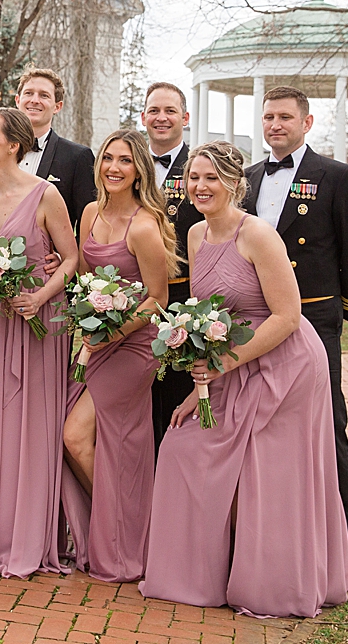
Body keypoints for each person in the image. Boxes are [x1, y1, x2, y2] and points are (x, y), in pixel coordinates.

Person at [141, 141, 348, 618]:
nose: (200, 186)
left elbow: (288, 316)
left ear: (236, 184)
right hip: (230, 359)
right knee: (182, 448)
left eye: (211, 178)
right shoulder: (193, 235)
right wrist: (202, 385)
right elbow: (208, 314)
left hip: (286, 364)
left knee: (266, 473)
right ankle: (199, 574)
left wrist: (223, 365)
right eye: (194, 177)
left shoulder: (257, 234)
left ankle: (272, 583)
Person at [243, 86, 348, 589]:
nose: (276, 125)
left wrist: (340, 305)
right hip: (256, 321)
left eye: (285, 117)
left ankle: (347, 550)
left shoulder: (337, 176)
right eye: (269, 117)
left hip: (314, 320)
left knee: (327, 428)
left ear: (307, 121)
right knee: (259, 424)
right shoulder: (251, 178)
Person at [58, 129, 174, 583]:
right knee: (99, 444)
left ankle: (129, 534)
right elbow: (87, 279)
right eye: (108, 158)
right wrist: (87, 322)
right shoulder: (89, 213)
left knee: (76, 436)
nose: (113, 168)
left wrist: (111, 335)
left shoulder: (144, 226)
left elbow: (157, 300)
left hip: (134, 346)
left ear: (138, 169)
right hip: (98, 340)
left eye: (125, 160)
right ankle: (119, 526)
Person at [0, 107, 80, 578]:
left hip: (36, 321)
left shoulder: (45, 194)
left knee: (29, 424)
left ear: (13, 144)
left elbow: (71, 258)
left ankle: (27, 535)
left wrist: (40, 296)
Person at [142, 82, 203, 452]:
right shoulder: (126, 163)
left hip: (183, 298)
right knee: (139, 404)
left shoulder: (200, 167)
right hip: (132, 301)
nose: (161, 118)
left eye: (169, 111)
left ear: (185, 117)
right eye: (154, 111)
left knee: (179, 403)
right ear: (143, 117)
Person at [14, 68, 95, 230]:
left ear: (57, 106)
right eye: (29, 93)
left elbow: (89, 221)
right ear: (17, 100)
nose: (35, 100)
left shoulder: (78, 157)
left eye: (44, 95)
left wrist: (69, 255)